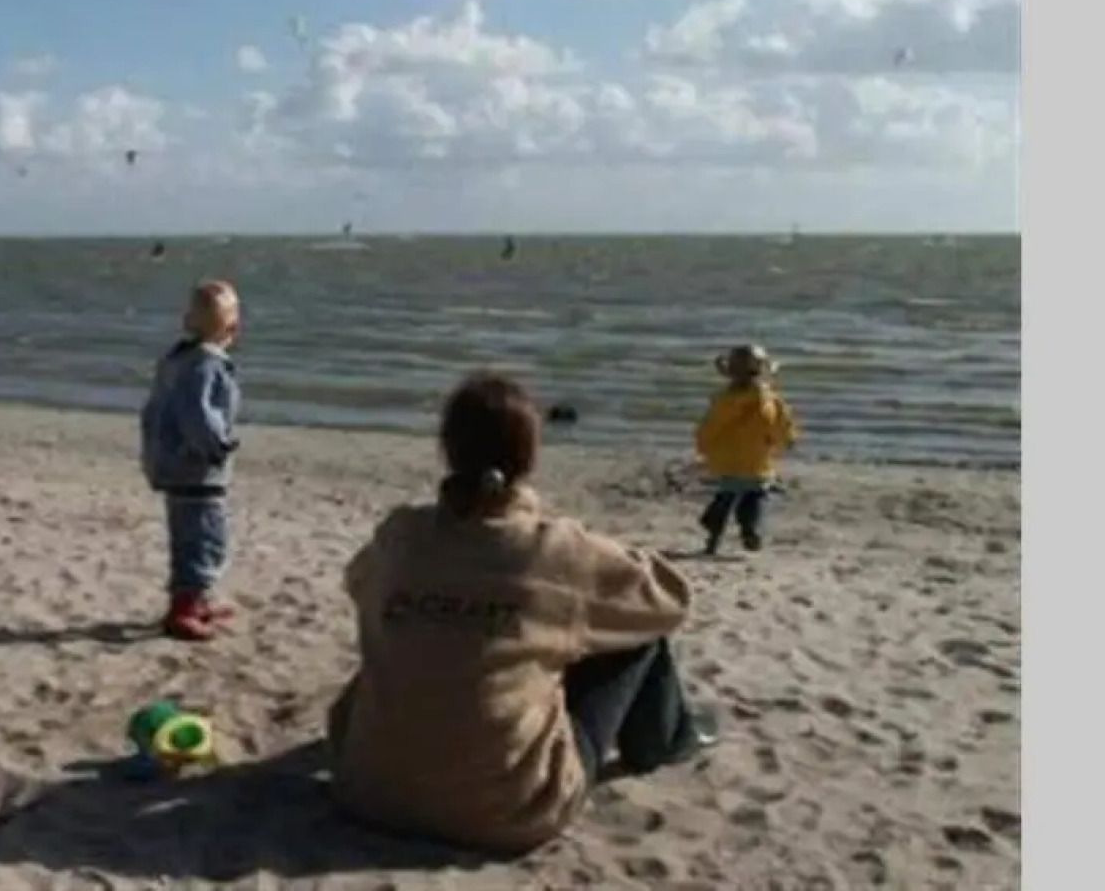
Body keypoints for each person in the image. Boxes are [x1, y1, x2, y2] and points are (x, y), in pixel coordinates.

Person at [325, 372, 715, 854]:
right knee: (634, 634)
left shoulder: (402, 534)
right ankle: (668, 742)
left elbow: (357, 584)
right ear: (529, 456)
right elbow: (671, 600)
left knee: (424, 637)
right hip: (508, 811)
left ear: (447, 449)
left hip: (366, 791)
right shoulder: (554, 548)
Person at [138, 280, 243, 641]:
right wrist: (216, 446)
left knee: (188, 535)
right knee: (205, 537)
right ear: (233, 329)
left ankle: (194, 600)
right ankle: (184, 607)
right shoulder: (206, 366)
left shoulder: (176, 361)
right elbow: (197, 415)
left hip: (173, 465)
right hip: (196, 469)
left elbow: (155, 411)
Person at [693, 344, 798, 555]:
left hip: (726, 460)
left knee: (725, 496)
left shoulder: (722, 401)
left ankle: (712, 537)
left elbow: (709, 427)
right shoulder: (770, 401)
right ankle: (751, 529)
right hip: (756, 460)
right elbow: (781, 426)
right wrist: (787, 441)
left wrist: (703, 447)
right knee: (754, 498)